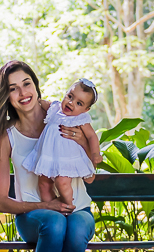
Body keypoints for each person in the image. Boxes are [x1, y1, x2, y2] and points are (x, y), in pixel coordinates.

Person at [0, 60, 101, 252]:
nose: (23, 92)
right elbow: (2, 201)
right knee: (54, 222)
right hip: (32, 215)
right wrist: (45, 204)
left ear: (36, 85)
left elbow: (92, 165)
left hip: (78, 207)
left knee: (74, 229)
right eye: (13, 88)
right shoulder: (6, 136)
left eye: (26, 83)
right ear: (6, 96)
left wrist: (83, 142)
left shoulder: (61, 112)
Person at [21, 78, 102, 208]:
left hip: (65, 159)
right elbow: (40, 102)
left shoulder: (80, 119)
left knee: (62, 182)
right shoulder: (55, 108)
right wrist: (33, 98)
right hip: (48, 156)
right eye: (70, 96)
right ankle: (52, 208)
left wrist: (95, 153)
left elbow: (92, 136)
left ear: (86, 109)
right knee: (43, 183)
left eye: (79, 103)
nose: (71, 103)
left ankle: (68, 206)